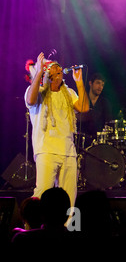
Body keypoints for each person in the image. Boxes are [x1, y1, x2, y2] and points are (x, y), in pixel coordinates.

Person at [24, 52, 89, 207]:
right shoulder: (37, 92)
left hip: (68, 151)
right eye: (54, 68)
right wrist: (38, 72)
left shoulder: (69, 93)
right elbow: (30, 101)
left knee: (69, 197)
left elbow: (84, 107)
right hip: (46, 151)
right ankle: (32, 227)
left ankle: (66, 230)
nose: (59, 69)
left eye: (60, 68)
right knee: (42, 193)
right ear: (47, 74)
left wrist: (79, 82)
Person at [76, 73, 112, 146]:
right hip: (81, 141)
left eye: (102, 85)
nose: (100, 87)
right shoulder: (82, 100)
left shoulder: (104, 103)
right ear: (90, 83)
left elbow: (108, 122)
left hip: (99, 143)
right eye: (98, 83)